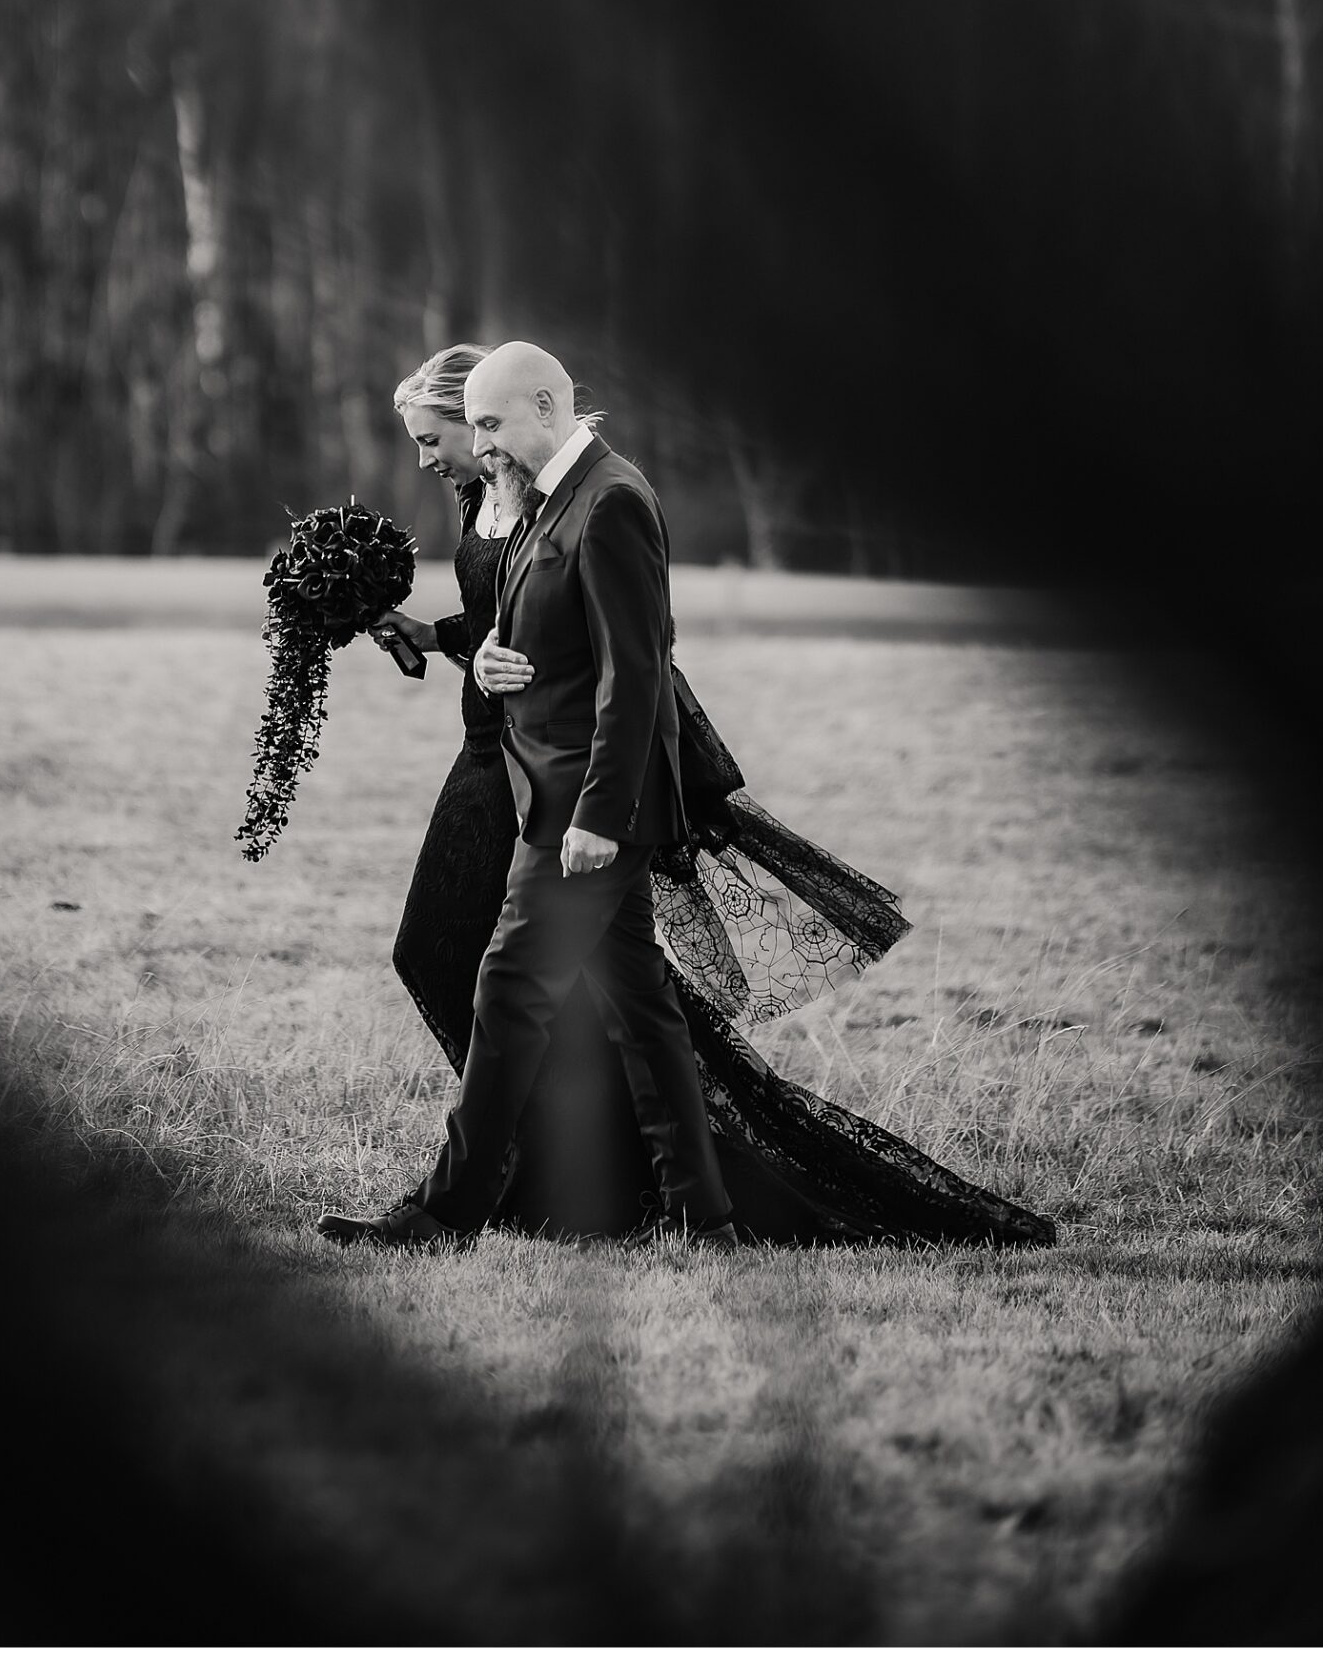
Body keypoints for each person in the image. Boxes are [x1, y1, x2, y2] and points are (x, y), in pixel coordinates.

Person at [318, 342, 1055, 1250]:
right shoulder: (548, 497)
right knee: (644, 1015)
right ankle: (704, 1218)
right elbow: (552, 627)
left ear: (547, 406)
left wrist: (598, 817)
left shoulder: (613, 500)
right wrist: (495, 655)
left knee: (507, 997)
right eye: (472, 428)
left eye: (491, 425)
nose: (480, 447)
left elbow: (636, 677)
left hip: (583, 808)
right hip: (547, 788)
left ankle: (444, 1214)